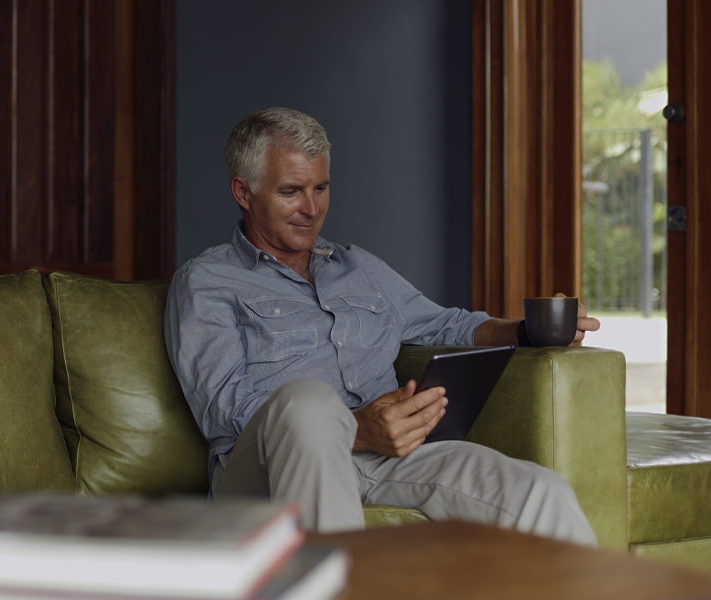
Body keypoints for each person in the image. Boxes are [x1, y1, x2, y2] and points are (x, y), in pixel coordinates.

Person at [164, 107, 600, 545]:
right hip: (268, 468)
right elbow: (222, 407)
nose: (311, 209)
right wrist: (352, 427)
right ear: (244, 192)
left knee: (539, 493)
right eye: (291, 191)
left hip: (390, 454)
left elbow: (444, 324)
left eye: (321, 188)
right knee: (308, 403)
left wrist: (527, 332)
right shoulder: (206, 281)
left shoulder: (358, 268)